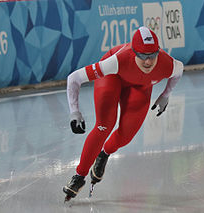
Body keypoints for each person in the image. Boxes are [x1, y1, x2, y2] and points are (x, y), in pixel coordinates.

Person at [63, 26, 184, 200]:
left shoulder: (169, 64)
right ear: (134, 52)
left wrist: (165, 95)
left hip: (140, 86)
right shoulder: (115, 61)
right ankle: (79, 177)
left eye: (152, 55)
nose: (148, 62)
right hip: (113, 77)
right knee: (104, 126)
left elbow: (179, 72)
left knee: (126, 135)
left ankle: (103, 154)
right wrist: (74, 111)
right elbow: (74, 78)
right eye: (143, 56)